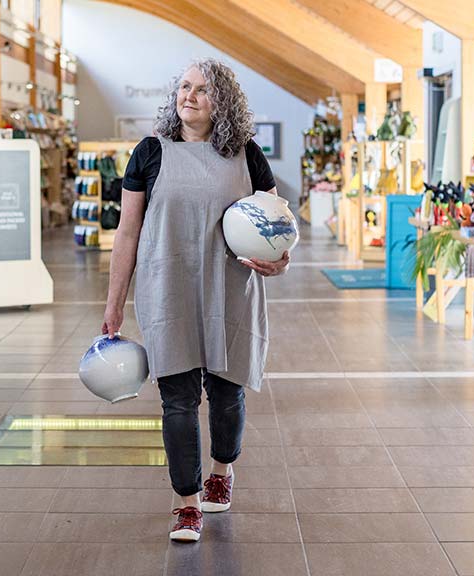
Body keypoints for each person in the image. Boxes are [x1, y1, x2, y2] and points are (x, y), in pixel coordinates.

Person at [102, 59, 290, 543]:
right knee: (178, 401)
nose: (189, 95)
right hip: (168, 288)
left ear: (221, 100)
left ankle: (221, 470)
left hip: (231, 288)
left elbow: (276, 221)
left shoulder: (245, 154)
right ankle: (186, 502)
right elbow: (127, 232)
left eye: (202, 89)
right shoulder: (149, 153)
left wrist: (281, 260)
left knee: (227, 394)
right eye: (184, 86)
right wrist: (114, 302)